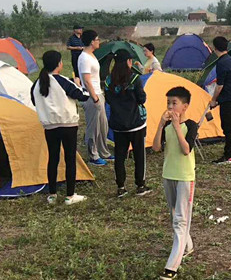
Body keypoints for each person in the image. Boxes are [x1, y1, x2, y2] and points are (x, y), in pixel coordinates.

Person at [30, 50, 90, 206]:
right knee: (70, 159)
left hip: (49, 126)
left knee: (53, 158)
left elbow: (35, 102)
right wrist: (79, 85)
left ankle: (52, 195)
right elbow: (83, 95)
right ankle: (70, 196)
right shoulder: (63, 81)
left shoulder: (37, 84)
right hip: (68, 125)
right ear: (59, 64)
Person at [152, 86, 198, 280]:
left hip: (185, 177)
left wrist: (178, 126)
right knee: (175, 215)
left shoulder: (191, 125)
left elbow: (186, 149)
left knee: (180, 220)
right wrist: (161, 125)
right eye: (168, 103)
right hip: (168, 174)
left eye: (174, 103)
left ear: (185, 106)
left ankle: (172, 266)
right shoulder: (167, 126)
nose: (170, 107)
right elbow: (156, 147)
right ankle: (187, 246)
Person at [104, 50, 150, 197]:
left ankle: (121, 187)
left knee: (119, 156)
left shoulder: (108, 81)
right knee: (139, 155)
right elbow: (141, 99)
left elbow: (109, 100)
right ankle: (140, 185)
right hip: (136, 123)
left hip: (118, 125)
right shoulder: (135, 78)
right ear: (129, 62)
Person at [78, 29, 113, 165]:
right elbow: (86, 81)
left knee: (103, 125)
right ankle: (93, 156)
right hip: (91, 96)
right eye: (97, 39)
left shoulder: (91, 55)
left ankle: (104, 152)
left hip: (98, 93)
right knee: (93, 127)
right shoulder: (84, 58)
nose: (99, 41)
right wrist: (95, 98)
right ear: (92, 42)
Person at [209, 36, 231, 165]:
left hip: (228, 99)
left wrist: (213, 100)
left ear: (214, 48)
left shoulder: (221, 63)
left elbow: (220, 85)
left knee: (228, 127)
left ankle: (228, 156)